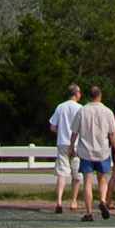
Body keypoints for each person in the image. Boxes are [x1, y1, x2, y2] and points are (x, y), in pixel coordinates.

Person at [72, 85, 115, 223]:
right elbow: (112, 133)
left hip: (86, 151)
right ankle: (103, 200)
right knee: (102, 179)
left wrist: (71, 146)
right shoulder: (108, 112)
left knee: (87, 181)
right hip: (102, 150)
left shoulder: (82, 111)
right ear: (100, 96)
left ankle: (89, 212)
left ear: (88, 96)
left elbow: (74, 132)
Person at [50, 82, 83, 215]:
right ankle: (73, 201)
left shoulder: (60, 107)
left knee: (62, 172)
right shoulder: (80, 108)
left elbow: (52, 126)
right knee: (77, 174)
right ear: (76, 94)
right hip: (76, 144)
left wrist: (61, 132)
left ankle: (59, 200)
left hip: (62, 142)